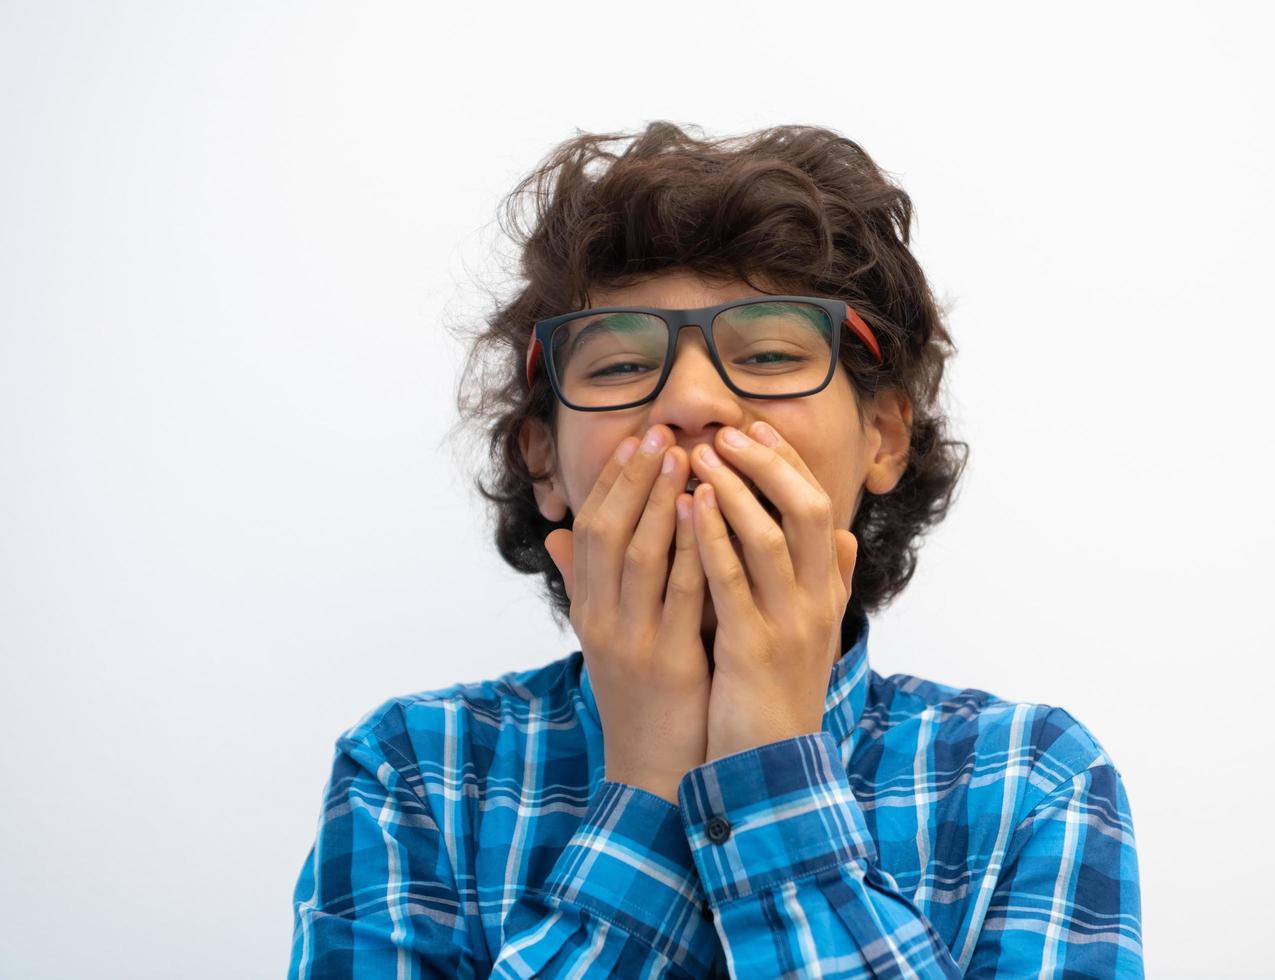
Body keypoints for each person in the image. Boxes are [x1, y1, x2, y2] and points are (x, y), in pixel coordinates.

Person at [287, 121, 1143, 978]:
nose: (694, 401)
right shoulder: (412, 772)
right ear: (543, 459)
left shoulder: (1031, 781)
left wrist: (771, 770)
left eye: (770, 354)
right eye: (620, 367)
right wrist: (650, 776)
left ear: (884, 437)